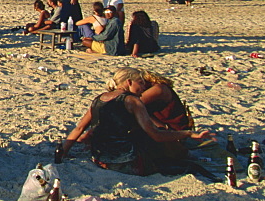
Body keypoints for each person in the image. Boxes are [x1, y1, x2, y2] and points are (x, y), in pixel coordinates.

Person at [56, 67, 213, 175]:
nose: (143, 87)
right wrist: (188, 134)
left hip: (99, 158)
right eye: (141, 82)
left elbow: (78, 129)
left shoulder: (99, 98)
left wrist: (63, 153)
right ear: (129, 82)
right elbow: (156, 135)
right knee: (157, 144)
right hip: (124, 161)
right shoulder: (133, 102)